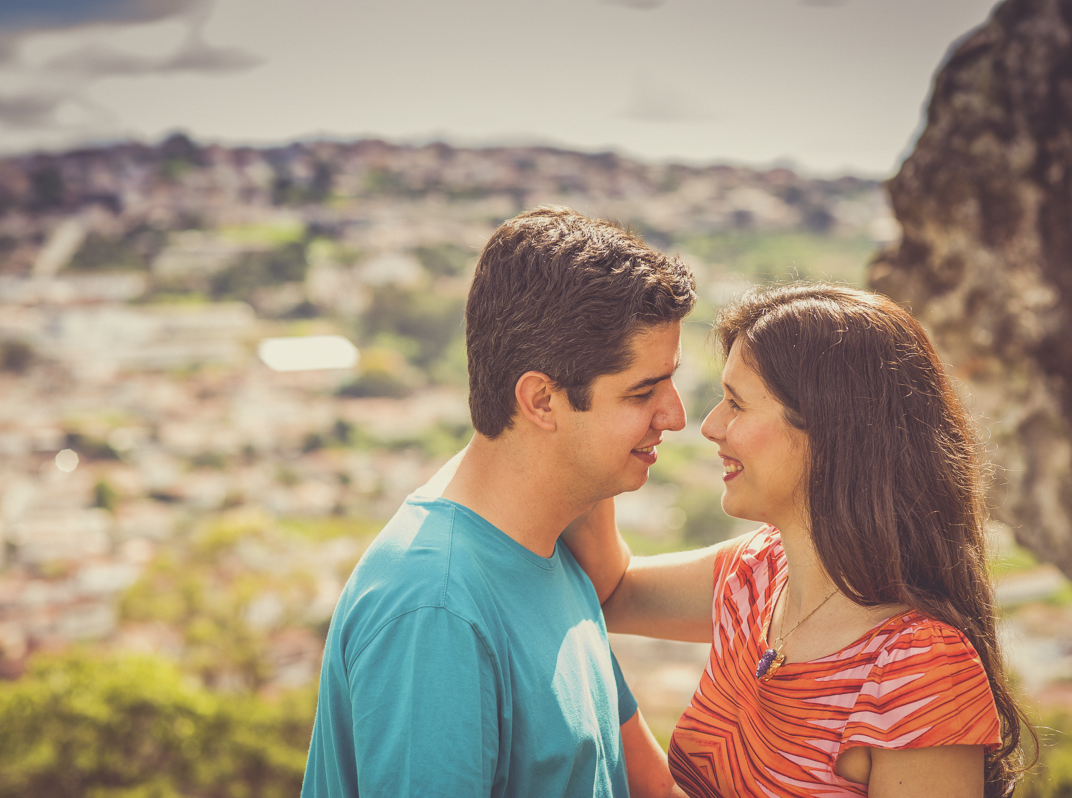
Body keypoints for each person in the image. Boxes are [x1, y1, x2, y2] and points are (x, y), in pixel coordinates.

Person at [565, 282, 1033, 798]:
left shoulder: (918, 668)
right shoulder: (758, 573)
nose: (711, 426)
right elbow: (612, 590)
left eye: (736, 403)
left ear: (831, 430)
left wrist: (610, 710)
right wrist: (588, 424)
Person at [300, 206, 697, 797]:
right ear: (541, 400)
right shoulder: (437, 610)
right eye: (642, 393)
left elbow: (642, 783)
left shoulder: (551, 544)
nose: (676, 416)